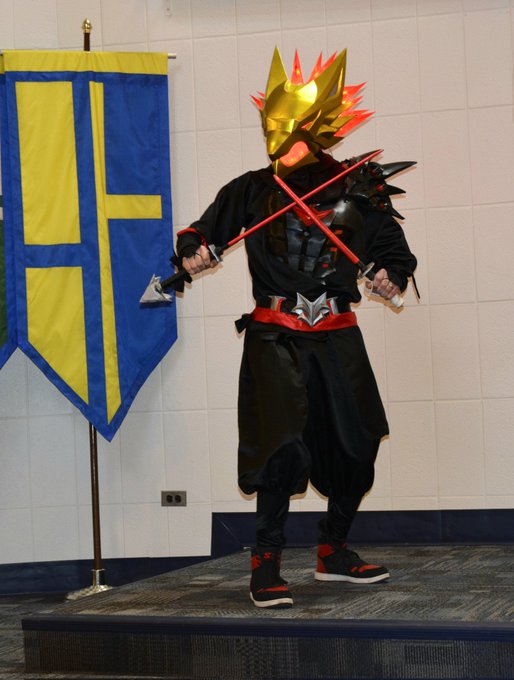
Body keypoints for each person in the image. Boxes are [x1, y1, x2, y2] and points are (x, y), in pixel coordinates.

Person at [175, 48, 417, 608]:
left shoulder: (359, 189)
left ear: (315, 128)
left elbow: (394, 253)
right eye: (272, 126)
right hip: (275, 334)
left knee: (357, 441)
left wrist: (390, 276)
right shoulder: (252, 189)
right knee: (280, 447)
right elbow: (201, 231)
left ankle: (334, 550)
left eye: (287, 128)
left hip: (337, 332)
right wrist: (195, 251)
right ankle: (266, 563)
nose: (277, 139)